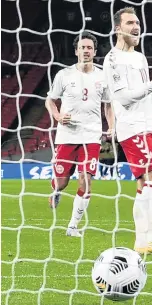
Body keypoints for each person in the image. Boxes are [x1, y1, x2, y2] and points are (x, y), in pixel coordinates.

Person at [103, 7, 152, 255]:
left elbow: (148, 96)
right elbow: (124, 99)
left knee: (144, 184)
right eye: (129, 23)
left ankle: (141, 242)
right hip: (131, 127)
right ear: (118, 28)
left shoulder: (140, 58)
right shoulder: (112, 59)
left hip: (149, 126)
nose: (136, 26)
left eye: (137, 22)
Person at [45, 31, 114, 237]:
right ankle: (56, 191)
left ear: (94, 51)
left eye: (89, 47)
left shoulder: (103, 76)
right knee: (62, 182)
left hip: (91, 136)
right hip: (66, 135)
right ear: (76, 51)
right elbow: (50, 100)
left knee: (86, 178)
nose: (86, 50)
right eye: (82, 47)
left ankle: (72, 227)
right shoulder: (64, 75)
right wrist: (57, 115)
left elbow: (108, 105)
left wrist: (111, 126)